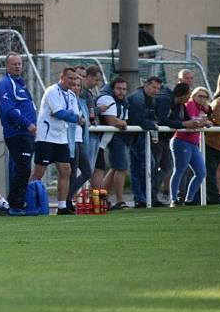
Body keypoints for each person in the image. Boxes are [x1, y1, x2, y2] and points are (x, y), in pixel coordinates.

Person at [30, 67, 82, 215]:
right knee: (39, 172)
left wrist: (71, 116)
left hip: (61, 137)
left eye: (74, 78)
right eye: (70, 78)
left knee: (66, 170)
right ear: (62, 77)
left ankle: (62, 206)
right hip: (45, 137)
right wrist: (72, 116)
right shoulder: (52, 91)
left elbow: (73, 115)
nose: (72, 81)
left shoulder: (72, 95)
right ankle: (29, 202)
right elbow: (59, 113)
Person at [0, 52, 38, 216]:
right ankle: (14, 204)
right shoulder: (6, 84)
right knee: (23, 168)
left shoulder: (20, 84)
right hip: (17, 133)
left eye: (20, 63)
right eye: (14, 64)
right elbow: (9, 110)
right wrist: (27, 124)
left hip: (26, 134)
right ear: (7, 66)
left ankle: (18, 203)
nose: (17, 66)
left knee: (22, 168)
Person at [170, 87, 212, 206]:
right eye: (199, 96)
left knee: (201, 172)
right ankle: (174, 199)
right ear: (193, 96)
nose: (202, 99)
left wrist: (206, 121)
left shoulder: (203, 108)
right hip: (181, 140)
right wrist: (204, 122)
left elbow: (204, 121)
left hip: (193, 143)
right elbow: (193, 121)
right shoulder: (190, 104)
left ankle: (189, 200)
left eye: (204, 97)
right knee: (179, 170)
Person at [127, 76, 162, 207]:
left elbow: (150, 117)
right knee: (145, 165)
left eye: (158, 88)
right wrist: (152, 125)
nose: (156, 90)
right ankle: (142, 197)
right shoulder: (137, 98)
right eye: (153, 87)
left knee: (141, 167)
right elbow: (137, 119)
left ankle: (143, 198)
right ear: (146, 85)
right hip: (134, 137)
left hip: (138, 136)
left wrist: (152, 122)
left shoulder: (150, 99)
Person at [97, 77, 129, 209]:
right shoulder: (107, 98)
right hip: (98, 140)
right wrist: (122, 123)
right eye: (119, 88)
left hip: (106, 140)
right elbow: (112, 121)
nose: (121, 92)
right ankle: (118, 201)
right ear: (112, 88)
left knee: (114, 168)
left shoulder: (122, 102)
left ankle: (102, 200)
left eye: (124, 89)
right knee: (93, 173)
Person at [67, 69, 93, 211]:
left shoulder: (81, 102)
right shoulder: (67, 99)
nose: (76, 88)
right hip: (71, 139)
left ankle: (68, 195)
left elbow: (89, 116)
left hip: (80, 139)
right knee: (71, 171)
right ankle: (67, 199)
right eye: (74, 85)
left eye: (79, 85)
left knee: (87, 171)